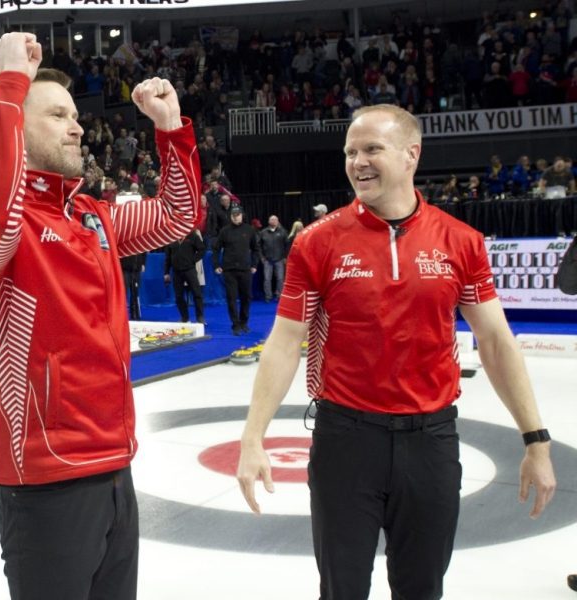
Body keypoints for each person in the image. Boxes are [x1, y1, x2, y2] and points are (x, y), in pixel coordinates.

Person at [236, 104, 556, 600]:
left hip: (431, 441)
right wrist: (253, 437)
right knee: (342, 590)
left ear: (411, 155)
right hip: (346, 441)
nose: (357, 161)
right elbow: (283, 341)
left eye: (371, 149)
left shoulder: (461, 241)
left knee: (422, 589)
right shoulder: (318, 242)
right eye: (350, 152)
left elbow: (495, 341)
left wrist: (535, 440)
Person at [0, 32, 200, 600]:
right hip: (43, 481)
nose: (78, 125)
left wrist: (170, 129)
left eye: (75, 114)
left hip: (116, 465)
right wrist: (10, 83)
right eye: (58, 114)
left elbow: (176, 218)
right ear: (15, 125)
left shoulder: (93, 215)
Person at [212, 205, 258, 335]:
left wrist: (254, 265)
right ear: (230, 216)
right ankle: (235, 325)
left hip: (245, 269)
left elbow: (256, 249)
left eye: (238, 215)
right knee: (231, 298)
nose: (236, 217)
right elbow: (216, 249)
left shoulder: (249, 230)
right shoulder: (224, 231)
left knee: (246, 297)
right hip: (229, 270)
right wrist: (216, 265)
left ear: (242, 215)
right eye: (233, 215)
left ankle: (244, 322)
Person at [164, 230, 206, 323]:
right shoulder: (171, 237)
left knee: (197, 294)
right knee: (178, 296)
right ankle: (184, 317)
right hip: (176, 272)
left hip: (190, 270)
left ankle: (200, 317)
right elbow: (168, 257)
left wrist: (193, 260)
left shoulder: (193, 236)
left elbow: (202, 249)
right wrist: (166, 272)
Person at [258, 215, 288, 302]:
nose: (273, 221)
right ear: (268, 221)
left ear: (278, 221)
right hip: (267, 260)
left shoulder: (283, 232)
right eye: (272, 219)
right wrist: (262, 257)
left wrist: (285, 257)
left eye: (275, 219)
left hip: (279, 259)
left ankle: (279, 296)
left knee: (280, 279)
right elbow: (258, 246)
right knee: (267, 279)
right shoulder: (263, 232)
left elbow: (287, 245)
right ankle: (268, 296)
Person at [121, 252, 147, 320]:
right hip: (125, 268)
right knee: (124, 292)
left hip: (136, 269)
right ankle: (122, 313)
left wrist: (143, 263)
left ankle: (135, 313)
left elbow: (143, 250)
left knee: (135, 292)